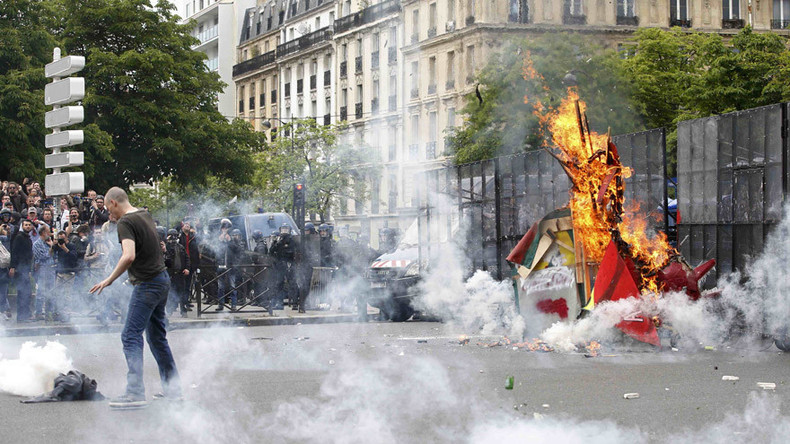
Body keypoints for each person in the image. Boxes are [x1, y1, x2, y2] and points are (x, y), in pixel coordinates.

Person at [89, 187, 181, 409]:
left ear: (113, 203)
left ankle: (135, 392)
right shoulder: (144, 214)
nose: (109, 215)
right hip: (161, 280)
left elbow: (128, 255)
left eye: (108, 209)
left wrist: (109, 279)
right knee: (157, 338)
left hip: (148, 284)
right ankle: (173, 390)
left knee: (130, 335)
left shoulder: (125, 223)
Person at [9, 218, 35, 322]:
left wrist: (29, 270)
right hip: (20, 269)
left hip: (25, 268)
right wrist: (13, 267)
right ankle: (21, 316)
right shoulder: (19, 237)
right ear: (22, 226)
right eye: (26, 225)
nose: (28, 226)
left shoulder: (28, 238)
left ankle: (26, 314)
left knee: (27, 292)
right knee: (23, 292)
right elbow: (15, 252)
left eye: (29, 225)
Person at [214, 219, 241, 311]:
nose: (225, 230)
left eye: (226, 228)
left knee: (232, 286)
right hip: (220, 266)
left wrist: (230, 242)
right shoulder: (218, 238)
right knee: (220, 287)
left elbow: (238, 250)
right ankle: (220, 305)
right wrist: (219, 241)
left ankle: (233, 305)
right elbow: (214, 250)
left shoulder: (233, 240)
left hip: (231, 266)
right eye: (223, 228)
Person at [32, 224, 56, 320]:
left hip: (51, 268)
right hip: (42, 269)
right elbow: (42, 257)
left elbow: (54, 256)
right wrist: (51, 248)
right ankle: (38, 312)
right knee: (41, 291)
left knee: (51, 290)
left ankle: (49, 311)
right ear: (43, 233)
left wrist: (52, 246)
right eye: (48, 231)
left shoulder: (48, 242)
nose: (50, 234)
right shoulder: (37, 244)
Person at [164, 229, 190, 316]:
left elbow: (187, 258)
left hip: (180, 274)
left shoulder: (180, 247)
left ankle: (183, 310)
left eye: (175, 235)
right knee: (171, 293)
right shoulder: (166, 247)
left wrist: (187, 268)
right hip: (171, 274)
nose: (174, 238)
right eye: (172, 236)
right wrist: (167, 242)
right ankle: (170, 310)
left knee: (182, 293)